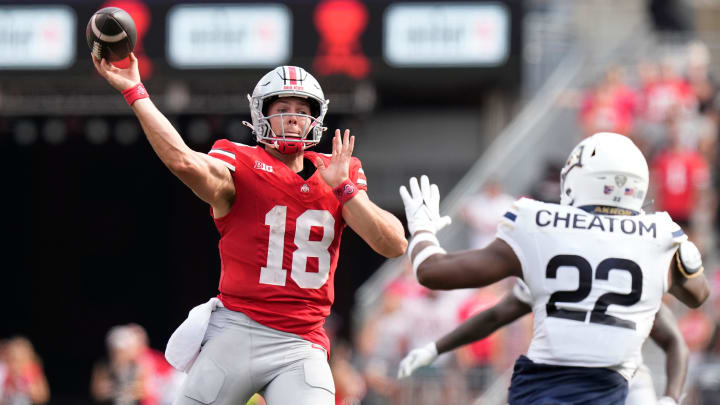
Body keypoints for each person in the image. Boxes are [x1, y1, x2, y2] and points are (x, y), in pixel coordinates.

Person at [92, 53, 407, 405]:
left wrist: (345, 191)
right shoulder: (240, 162)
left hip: (301, 343)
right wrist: (136, 91)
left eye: (302, 110)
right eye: (282, 107)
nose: (292, 117)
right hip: (238, 330)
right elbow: (183, 160)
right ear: (262, 113)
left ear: (315, 119)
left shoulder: (338, 171)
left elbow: (393, 244)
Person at [399, 132, 709, 405]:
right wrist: (687, 260)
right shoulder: (660, 236)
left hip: (540, 388)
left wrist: (423, 230)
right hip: (608, 391)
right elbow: (697, 296)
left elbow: (432, 271)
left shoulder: (539, 226)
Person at [397, 279, 690, 405]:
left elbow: (677, 334)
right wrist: (436, 347)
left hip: (624, 381)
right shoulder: (550, 262)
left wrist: (670, 398)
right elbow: (497, 314)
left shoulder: (634, 269)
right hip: (564, 383)